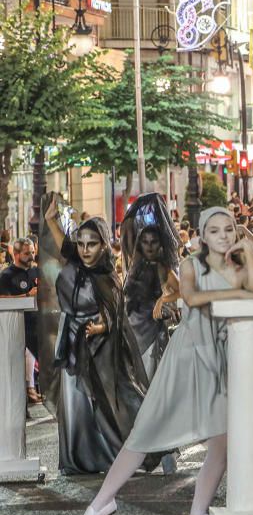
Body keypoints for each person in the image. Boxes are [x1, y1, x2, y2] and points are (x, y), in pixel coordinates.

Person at [73, 207, 253, 515]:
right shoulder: (191, 265)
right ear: (203, 236)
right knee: (145, 431)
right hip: (186, 358)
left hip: (220, 359)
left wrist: (250, 246)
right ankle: (101, 502)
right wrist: (237, 288)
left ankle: (198, 513)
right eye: (215, 230)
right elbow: (193, 297)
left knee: (221, 442)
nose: (223, 236)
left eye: (229, 230)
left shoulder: (237, 267)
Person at [40, 196, 160, 476]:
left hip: (101, 349)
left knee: (114, 399)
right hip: (73, 345)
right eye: (81, 244)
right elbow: (59, 238)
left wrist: (101, 328)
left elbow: (116, 314)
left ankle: (143, 447)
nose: (84, 250)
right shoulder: (75, 260)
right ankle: (80, 459)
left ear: (104, 245)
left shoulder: (107, 276)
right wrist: (50, 218)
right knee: (76, 403)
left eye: (91, 244)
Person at [120, 194, 182, 383]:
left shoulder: (162, 267)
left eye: (153, 242)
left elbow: (183, 291)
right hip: (130, 327)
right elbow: (128, 226)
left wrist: (162, 301)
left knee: (149, 379)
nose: (149, 246)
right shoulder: (134, 264)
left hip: (151, 330)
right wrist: (140, 204)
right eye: (145, 242)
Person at [0, 238, 42, 404]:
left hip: (37, 324)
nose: (31, 256)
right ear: (16, 254)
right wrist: (26, 296)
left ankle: (37, 388)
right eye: (27, 253)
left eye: (32, 252)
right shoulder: (6, 275)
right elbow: (1, 298)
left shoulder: (36, 272)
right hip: (17, 326)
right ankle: (24, 394)